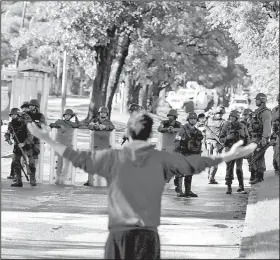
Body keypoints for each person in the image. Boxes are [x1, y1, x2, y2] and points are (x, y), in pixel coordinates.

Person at [27, 111, 256, 260]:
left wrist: (44, 137)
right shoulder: (161, 159)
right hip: (147, 237)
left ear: (127, 132)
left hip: (118, 237)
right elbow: (194, 164)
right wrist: (228, 156)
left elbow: (74, 155)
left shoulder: (111, 158)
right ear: (151, 135)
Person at [174, 112, 203, 197]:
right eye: (191, 119)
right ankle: (179, 191)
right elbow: (176, 142)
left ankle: (188, 191)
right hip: (182, 153)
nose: (193, 120)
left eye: (194, 119)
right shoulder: (182, 130)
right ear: (188, 120)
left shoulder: (198, 132)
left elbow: (199, 144)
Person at [220, 110, 250, 194]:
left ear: (237, 118)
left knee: (239, 168)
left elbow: (247, 138)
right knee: (229, 168)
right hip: (229, 150)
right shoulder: (226, 125)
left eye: (233, 117)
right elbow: (221, 138)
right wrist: (227, 138)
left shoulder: (242, 126)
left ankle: (241, 186)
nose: (231, 118)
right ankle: (229, 187)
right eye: (230, 117)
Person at [84, 106, 115, 186]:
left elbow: (112, 127)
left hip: (105, 146)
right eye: (101, 112)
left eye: (104, 113)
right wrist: (96, 126)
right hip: (96, 146)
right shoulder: (95, 121)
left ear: (107, 114)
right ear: (99, 113)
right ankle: (90, 180)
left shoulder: (108, 122)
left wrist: (105, 127)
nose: (103, 114)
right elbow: (89, 126)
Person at [4, 108, 35, 187]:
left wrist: (24, 143)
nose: (13, 116)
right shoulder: (11, 124)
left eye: (14, 114)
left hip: (28, 145)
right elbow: (7, 133)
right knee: (16, 162)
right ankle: (18, 181)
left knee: (31, 163)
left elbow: (31, 135)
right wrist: (8, 140)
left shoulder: (25, 123)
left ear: (18, 115)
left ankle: (32, 180)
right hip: (17, 145)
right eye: (12, 115)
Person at [248, 93, 272, 184]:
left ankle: (259, 177)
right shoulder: (258, 111)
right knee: (254, 157)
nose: (255, 101)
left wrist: (264, 138)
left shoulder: (266, 112)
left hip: (260, 138)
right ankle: (255, 175)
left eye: (257, 99)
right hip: (254, 138)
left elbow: (267, 125)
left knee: (259, 157)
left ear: (262, 100)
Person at [27, 99, 46, 185]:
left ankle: (32, 177)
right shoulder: (26, 114)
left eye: (32, 105)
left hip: (35, 140)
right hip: (26, 139)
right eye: (30, 105)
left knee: (33, 159)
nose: (30, 107)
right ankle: (21, 177)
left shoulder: (40, 115)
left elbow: (42, 124)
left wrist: (34, 123)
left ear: (36, 106)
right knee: (26, 158)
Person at [205, 106, 226, 184]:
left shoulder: (208, 120)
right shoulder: (223, 122)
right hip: (216, 143)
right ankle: (211, 177)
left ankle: (209, 175)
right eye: (219, 113)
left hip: (208, 142)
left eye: (221, 113)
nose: (220, 115)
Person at [271, 93, 279, 175]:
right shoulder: (275, 110)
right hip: (276, 134)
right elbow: (272, 121)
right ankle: (277, 169)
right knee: (276, 152)